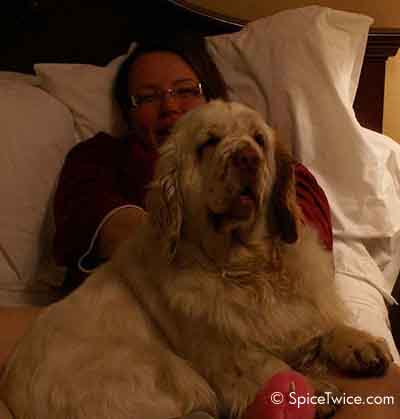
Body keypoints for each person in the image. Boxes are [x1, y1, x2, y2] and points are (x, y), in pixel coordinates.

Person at [1, 34, 400, 418]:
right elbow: (96, 219)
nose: (169, 105)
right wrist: (179, 218)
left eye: (184, 90)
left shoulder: (277, 162)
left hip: (256, 303)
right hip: (116, 319)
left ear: (209, 94)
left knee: (383, 386)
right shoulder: (100, 156)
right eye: (148, 97)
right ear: (128, 111)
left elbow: (301, 222)